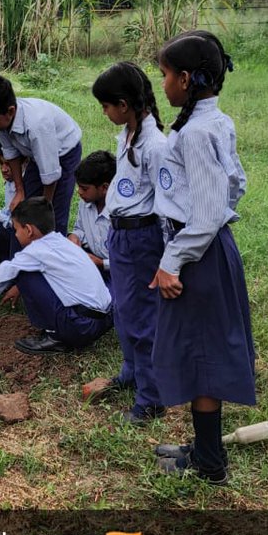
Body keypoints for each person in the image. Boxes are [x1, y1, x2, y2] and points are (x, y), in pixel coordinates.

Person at [150, 31, 255, 484]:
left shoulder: (195, 133)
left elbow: (208, 213)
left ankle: (210, 463)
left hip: (200, 256)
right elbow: (237, 185)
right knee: (202, 354)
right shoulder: (217, 122)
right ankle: (206, 448)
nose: (165, 85)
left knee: (204, 359)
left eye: (167, 76)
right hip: (210, 250)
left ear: (187, 78)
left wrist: (172, 260)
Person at [91, 62, 168, 426]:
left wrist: (168, 258)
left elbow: (168, 206)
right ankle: (132, 371)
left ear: (123, 105)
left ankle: (151, 398)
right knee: (122, 310)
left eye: (106, 106)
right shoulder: (128, 135)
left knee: (142, 320)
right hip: (121, 235)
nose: (104, 113)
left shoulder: (156, 146)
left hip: (142, 237)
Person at [0, 197, 112, 356]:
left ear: (29, 230)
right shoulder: (62, 242)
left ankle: (55, 337)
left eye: (17, 229)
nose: (17, 235)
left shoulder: (35, 252)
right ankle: (64, 328)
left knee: (22, 272)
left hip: (81, 328)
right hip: (104, 321)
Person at [0, 75, 82, 236]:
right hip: (34, 155)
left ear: (10, 111)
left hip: (64, 153)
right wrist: (19, 190)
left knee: (53, 215)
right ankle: (20, 258)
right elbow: (11, 153)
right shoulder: (1, 123)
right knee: (23, 210)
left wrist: (44, 208)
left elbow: (50, 174)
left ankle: (51, 255)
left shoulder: (37, 125)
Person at [69, 150, 114, 283]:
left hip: (115, 270)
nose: (79, 192)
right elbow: (80, 227)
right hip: (91, 262)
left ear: (104, 188)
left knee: (109, 302)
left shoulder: (120, 215)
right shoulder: (86, 202)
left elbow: (129, 260)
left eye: (84, 188)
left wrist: (101, 263)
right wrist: (75, 236)